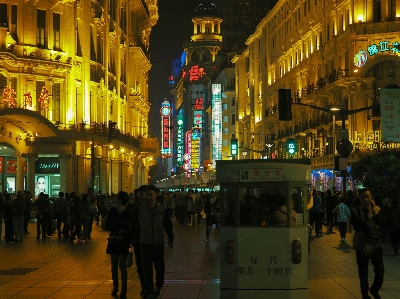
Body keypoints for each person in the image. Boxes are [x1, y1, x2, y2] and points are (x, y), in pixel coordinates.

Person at [137, 185, 174, 299]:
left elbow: (168, 225)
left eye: (151, 195)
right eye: (147, 195)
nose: (148, 197)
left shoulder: (162, 209)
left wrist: (170, 238)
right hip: (145, 242)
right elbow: (135, 225)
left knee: (159, 267)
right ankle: (149, 289)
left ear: (156, 195)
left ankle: (158, 286)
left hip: (158, 243)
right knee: (146, 267)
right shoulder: (140, 209)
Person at [351, 188, 385, 299]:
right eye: (363, 197)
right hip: (362, 245)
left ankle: (374, 290)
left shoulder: (377, 209)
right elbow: (357, 227)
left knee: (380, 271)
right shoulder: (355, 211)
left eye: (368, 197)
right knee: (363, 273)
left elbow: (381, 223)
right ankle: (365, 294)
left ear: (371, 198)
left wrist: (373, 211)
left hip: (375, 245)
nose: (365, 199)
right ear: (359, 198)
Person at [105, 191, 131, 299]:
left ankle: (124, 289)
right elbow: (107, 225)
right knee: (114, 266)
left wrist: (118, 228)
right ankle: (115, 287)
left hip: (123, 241)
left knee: (122, 265)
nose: (114, 197)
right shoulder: (112, 210)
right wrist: (118, 229)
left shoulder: (127, 212)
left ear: (120, 199)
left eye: (116, 196)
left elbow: (127, 227)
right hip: (113, 240)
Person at [128, 185, 147, 296]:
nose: (140, 196)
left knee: (147, 264)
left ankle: (148, 286)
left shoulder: (152, 206)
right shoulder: (136, 206)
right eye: (139, 194)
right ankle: (144, 286)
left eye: (142, 194)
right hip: (138, 238)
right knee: (140, 264)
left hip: (149, 239)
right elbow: (132, 221)